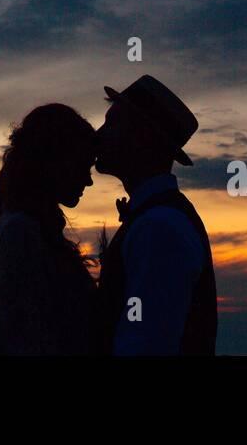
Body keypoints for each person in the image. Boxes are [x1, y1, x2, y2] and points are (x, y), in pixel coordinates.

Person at [93, 75, 217, 355]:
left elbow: (144, 344)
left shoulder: (160, 227)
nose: (98, 135)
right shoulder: (159, 220)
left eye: (111, 124)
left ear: (142, 137)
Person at [0, 104, 97, 355]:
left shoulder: (27, 227)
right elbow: (16, 339)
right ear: (54, 161)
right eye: (83, 165)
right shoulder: (20, 231)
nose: (89, 180)